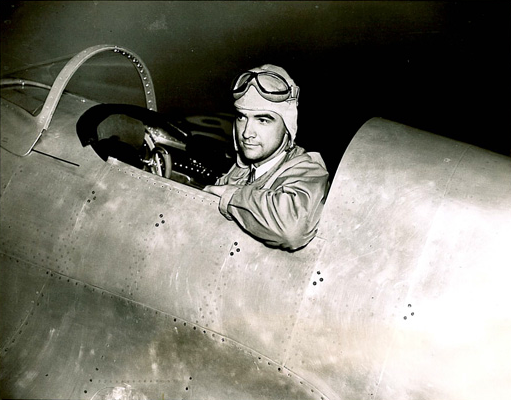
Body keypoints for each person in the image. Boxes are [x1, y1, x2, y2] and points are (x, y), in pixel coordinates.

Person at [204, 64, 329, 251]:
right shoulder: (242, 169)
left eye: (263, 120)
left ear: (287, 127)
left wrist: (231, 195)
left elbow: (292, 229)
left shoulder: (309, 172)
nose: (247, 133)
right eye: (241, 117)